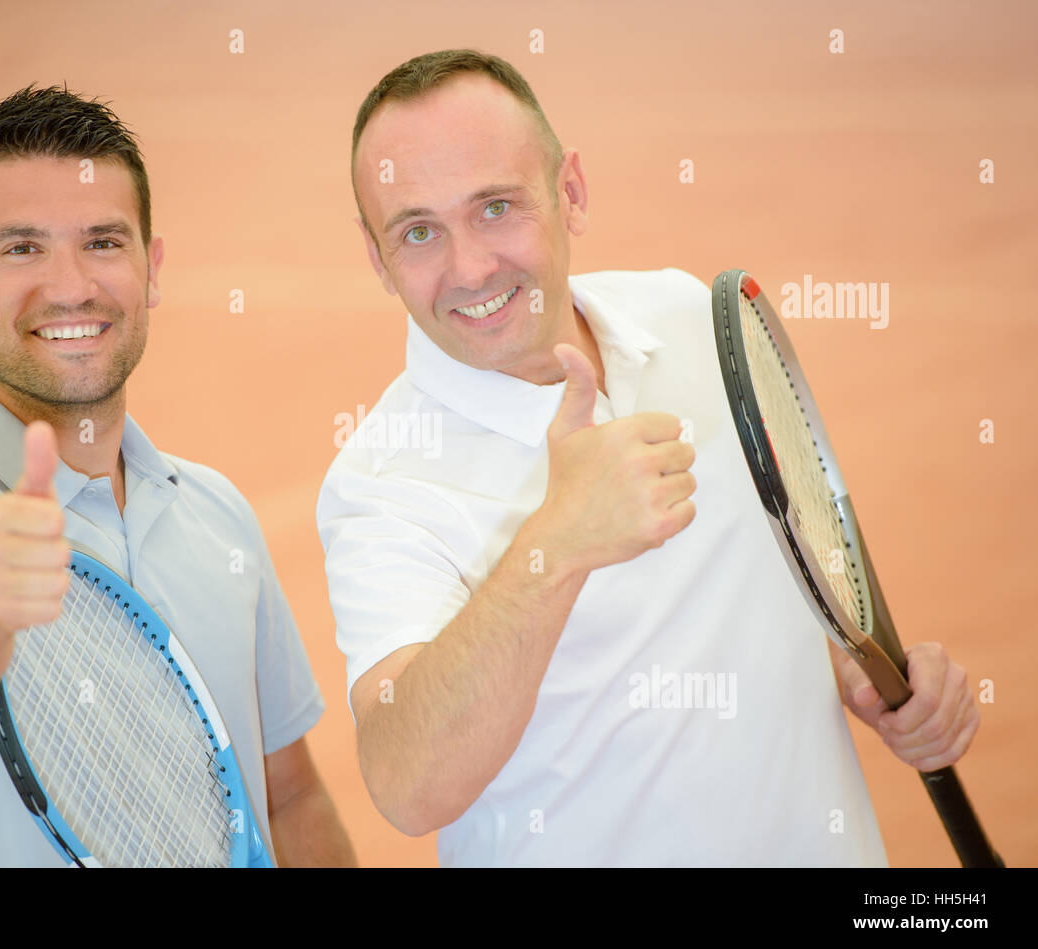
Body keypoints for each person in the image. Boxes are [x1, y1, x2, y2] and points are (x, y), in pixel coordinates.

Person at [316, 50, 979, 866]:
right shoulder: (381, 484)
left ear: (572, 193)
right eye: (417, 231)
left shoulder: (693, 319)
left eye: (496, 207)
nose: (470, 268)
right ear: (377, 257)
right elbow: (407, 783)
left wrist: (855, 670)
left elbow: (788, 561)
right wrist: (553, 546)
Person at [0, 84, 354, 867]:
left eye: (104, 242)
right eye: (21, 247)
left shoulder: (215, 513)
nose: (71, 285)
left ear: (153, 265)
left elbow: (288, 793)